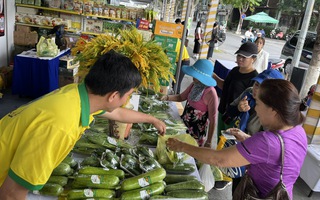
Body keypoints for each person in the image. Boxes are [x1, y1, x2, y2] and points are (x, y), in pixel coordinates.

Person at [0, 50, 166, 199]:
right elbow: (10, 194)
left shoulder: (77, 95)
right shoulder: (61, 126)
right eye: (129, 95)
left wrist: (152, 119)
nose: (127, 100)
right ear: (113, 95)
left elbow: (118, 113)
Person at [166, 79, 308, 200]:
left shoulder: (267, 141)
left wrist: (182, 146)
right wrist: (247, 138)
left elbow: (218, 159)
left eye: (257, 104)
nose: (256, 110)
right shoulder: (298, 131)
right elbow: (278, 153)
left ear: (273, 110)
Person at [225, 69, 284, 193]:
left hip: (257, 159)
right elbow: (227, 114)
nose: (257, 90)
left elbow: (270, 143)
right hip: (241, 148)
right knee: (237, 188)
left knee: (250, 190)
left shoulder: (274, 111)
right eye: (256, 85)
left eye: (263, 87)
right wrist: (238, 108)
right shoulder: (248, 93)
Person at [213, 42, 258, 190]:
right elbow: (224, 86)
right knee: (221, 143)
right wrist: (213, 76)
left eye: (244, 57)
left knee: (231, 148)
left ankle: (227, 177)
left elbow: (251, 107)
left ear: (254, 59)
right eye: (239, 55)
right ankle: (219, 171)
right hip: (225, 112)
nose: (240, 59)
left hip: (237, 121)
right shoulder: (234, 71)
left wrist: (240, 108)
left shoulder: (255, 80)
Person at [162, 59, 218, 147]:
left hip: (196, 131)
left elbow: (213, 120)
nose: (193, 77)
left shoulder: (211, 93)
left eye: (196, 75)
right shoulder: (194, 85)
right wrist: (167, 97)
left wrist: (209, 141)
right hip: (183, 125)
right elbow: (181, 97)